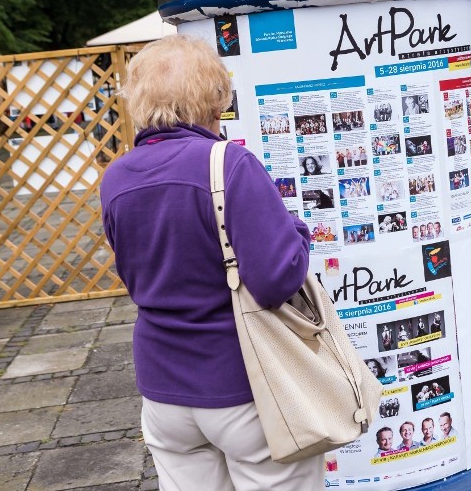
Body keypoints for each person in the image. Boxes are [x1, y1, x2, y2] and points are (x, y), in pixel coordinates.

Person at [100, 35, 322, 491]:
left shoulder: (115, 177)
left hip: (162, 390)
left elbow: (135, 272)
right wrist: (297, 230)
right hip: (243, 384)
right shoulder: (229, 164)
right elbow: (276, 279)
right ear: (215, 97)